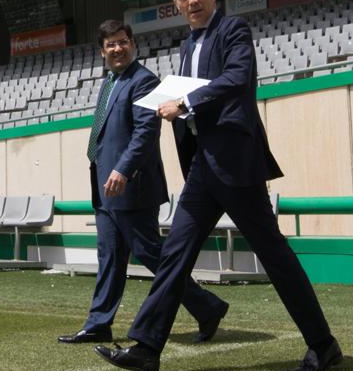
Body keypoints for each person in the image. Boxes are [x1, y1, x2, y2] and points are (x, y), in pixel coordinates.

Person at [96, 0, 342, 371]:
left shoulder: (233, 29)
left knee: (274, 256)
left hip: (235, 164)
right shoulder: (188, 42)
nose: (191, 0)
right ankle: (146, 347)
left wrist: (184, 103)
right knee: (174, 254)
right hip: (201, 169)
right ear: (176, 6)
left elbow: (236, 78)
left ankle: (323, 344)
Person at [58, 19, 229, 345]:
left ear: (132, 44)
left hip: (131, 187)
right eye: (111, 44)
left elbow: (145, 133)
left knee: (152, 255)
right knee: (108, 256)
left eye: (123, 42)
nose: (117, 49)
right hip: (105, 188)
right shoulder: (109, 81)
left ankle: (207, 307)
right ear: (102, 50)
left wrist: (122, 170)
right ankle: (98, 323)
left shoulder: (143, 80)